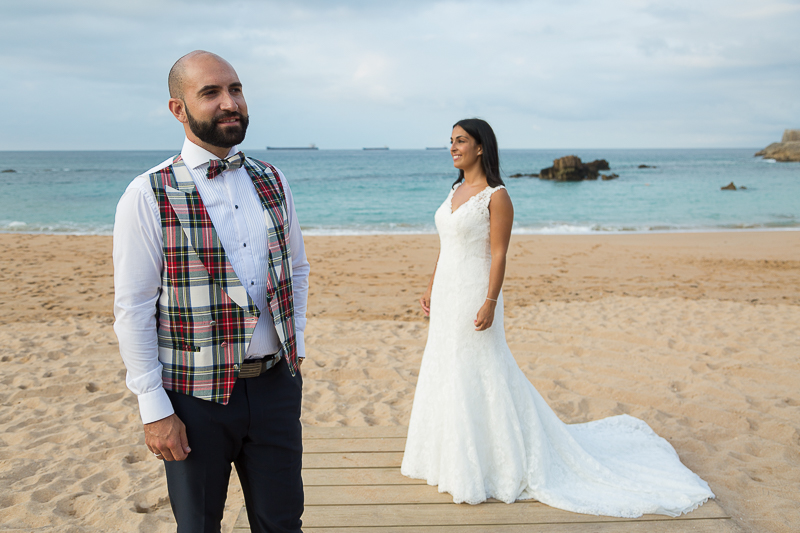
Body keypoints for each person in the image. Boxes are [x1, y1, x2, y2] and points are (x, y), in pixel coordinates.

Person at [400, 118, 714, 517]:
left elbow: (499, 254)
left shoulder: (496, 196)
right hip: (447, 292)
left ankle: (494, 462)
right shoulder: (454, 191)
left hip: (474, 294)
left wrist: (490, 301)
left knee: (479, 368)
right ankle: (443, 457)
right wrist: (430, 287)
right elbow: (446, 249)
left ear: (481, 147)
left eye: (460, 141)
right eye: (450, 141)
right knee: (446, 366)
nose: (452, 147)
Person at [113, 50, 309, 533]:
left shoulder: (272, 179)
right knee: (198, 526)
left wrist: (295, 340)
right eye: (211, 93)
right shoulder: (147, 193)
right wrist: (154, 409)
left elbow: (297, 268)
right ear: (178, 109)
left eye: (236, 89)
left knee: (283, 523)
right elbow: (134, 309)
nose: (230, 103)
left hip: (275, 387)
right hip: (193, 398)